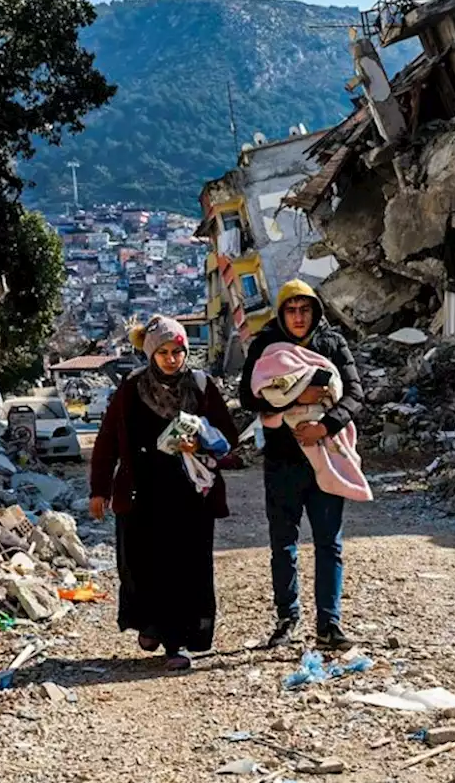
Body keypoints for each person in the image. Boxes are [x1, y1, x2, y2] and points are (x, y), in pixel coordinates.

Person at [89, 316, 238, 671]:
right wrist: (100, 489)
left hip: (189, 493)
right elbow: (108, 438)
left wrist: (200, 441)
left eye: (178, 351)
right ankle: (151, 625)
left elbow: (229, 435)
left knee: (185, 568)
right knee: (141, 565)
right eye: (164, 352)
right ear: (151, 354)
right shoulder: (131, 388)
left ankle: (177, 642)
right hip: (142, 492)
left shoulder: (200, 386)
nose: (172, 359)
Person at [240, 280, 363, 650]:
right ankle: (286, 618)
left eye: (304, 309)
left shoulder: (332, 344)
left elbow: (355, 394)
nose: (298, 317)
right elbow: (247, 395)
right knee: (283, 544)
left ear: (315, 312)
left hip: (325, 454)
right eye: (291, 310)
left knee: (329, 543)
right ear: (281, 313)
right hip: (283, 461)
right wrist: (296, 397)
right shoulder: (265, 344)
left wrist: (324, 425)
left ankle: (330, 624)